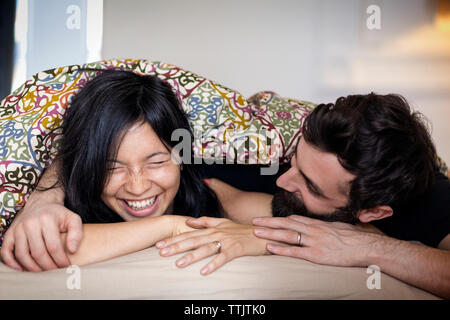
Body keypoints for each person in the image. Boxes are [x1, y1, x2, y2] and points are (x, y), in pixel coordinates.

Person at [155, 93, 450, 299]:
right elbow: (210, 189)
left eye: (310, 185)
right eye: (295, 161)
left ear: (373, 211)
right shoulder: (261, 161)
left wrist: (369, 246)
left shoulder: (432, 199)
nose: (284, 179)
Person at [0, 69, 271, 271]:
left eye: (156, 162)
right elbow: (46, 249)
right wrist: (172, 227)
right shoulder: (70, 200)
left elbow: (297, 226)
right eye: (111, 168)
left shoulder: (211, 192)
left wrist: (260, 240)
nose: (138, 186)